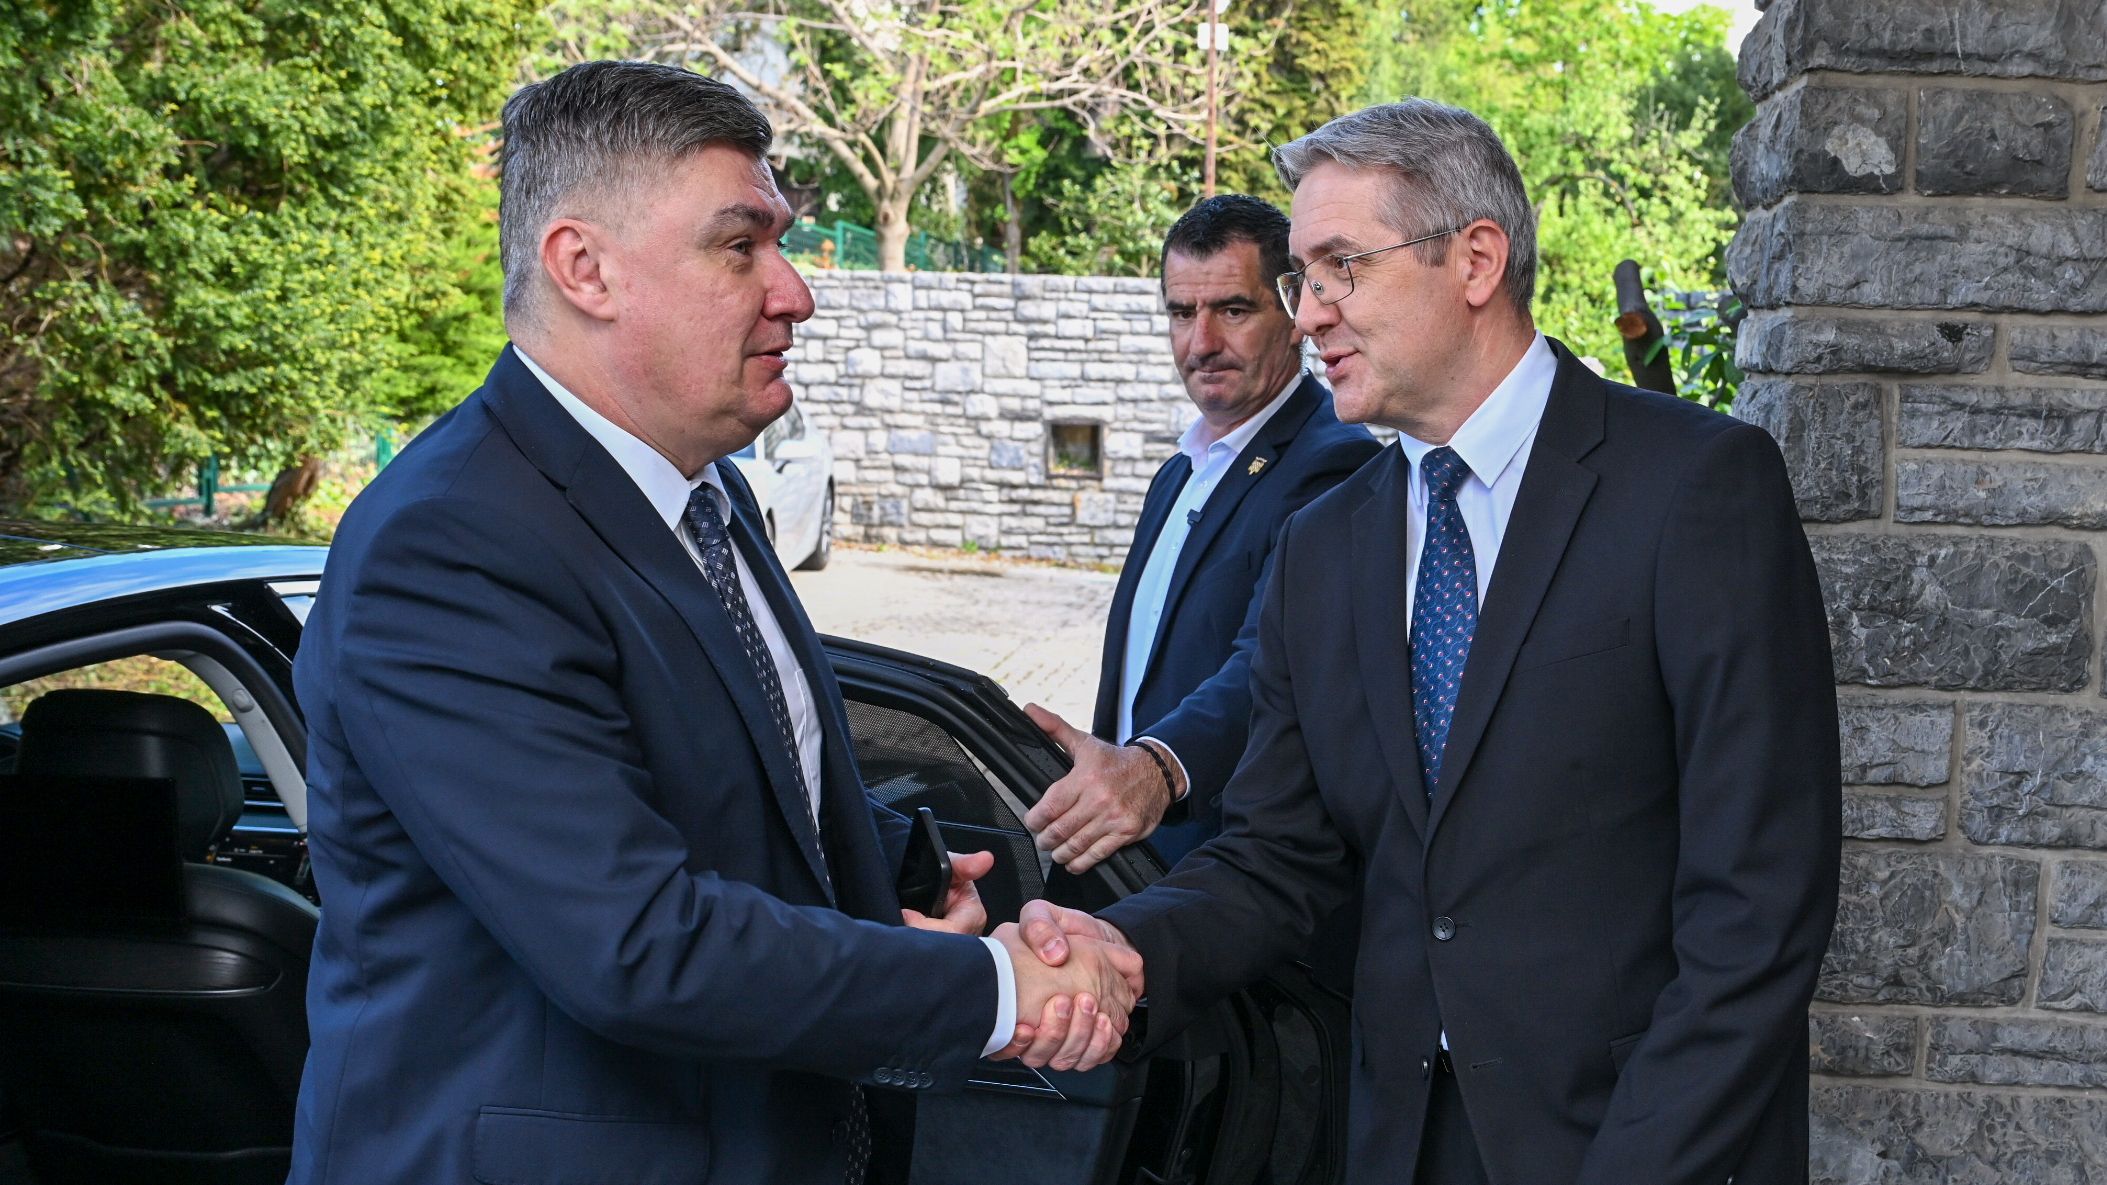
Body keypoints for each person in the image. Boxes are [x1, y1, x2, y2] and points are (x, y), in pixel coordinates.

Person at [290, 61, 1135, 1185]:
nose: (795, 292)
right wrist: (996, 990)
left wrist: (910, 868)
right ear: (584, 268)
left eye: (778, 241)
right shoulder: (449, 546)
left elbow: (730, 776)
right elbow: (635, 944)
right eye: (740, 246)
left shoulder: (704, 489)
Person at [1011, 100, 1842, 1185]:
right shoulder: (1322, 545)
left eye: (1340, 268)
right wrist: (1125, 951)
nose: (1309, 314)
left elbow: (1759, 904)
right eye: (1301, 279)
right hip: (1399, 1139)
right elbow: (1276, 858)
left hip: (1640, 1142)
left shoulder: (1695, 487)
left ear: (1476, 260)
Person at [1023, 195, 1379, 875]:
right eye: (1182, 313)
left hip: (1235, 879)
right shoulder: (1179, 472)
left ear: (1295, 311)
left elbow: (1271, 664)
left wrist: (1156, 770)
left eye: (1233, 310)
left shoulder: (1334, 464)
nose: (1201, 343)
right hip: (1134, 861)